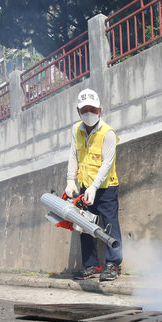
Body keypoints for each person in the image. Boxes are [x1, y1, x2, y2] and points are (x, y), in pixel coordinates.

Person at [66, 88, 123, 282]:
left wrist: (94, 187)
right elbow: (74, 155)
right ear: (78, 111)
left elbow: (107, 164)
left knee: (109, 225)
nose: (89, 113)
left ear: (100, 110)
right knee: (84, 225)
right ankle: (92, 265)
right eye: (85, 109)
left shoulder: (108, 133)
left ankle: (113, 264)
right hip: (84, 186)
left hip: (106, 187)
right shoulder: (76, 130)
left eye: (93, 109)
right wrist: (69, 180)